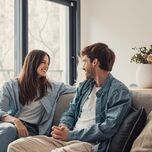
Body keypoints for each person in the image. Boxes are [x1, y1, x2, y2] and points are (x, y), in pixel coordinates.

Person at [7, 43, 132, 152]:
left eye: (84, 61)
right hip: (66, 139)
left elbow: (107, 128)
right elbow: (70, 113)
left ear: (94, 62)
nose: (82, 67)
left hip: (89, 144)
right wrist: (63, 127)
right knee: (15, 146)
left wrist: (71, 135)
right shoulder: (85, 87)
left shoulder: (119, 92)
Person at [0, 49, 76, 152]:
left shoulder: (52, 87)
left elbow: (78, 88)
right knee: (9, 130)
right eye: (43, 62)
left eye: (48, 63)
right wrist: (16, 121)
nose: (46, 66)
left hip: (33, 131)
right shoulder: (10, 85)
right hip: (12, 125)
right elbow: (1, 111)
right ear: (32, 62)